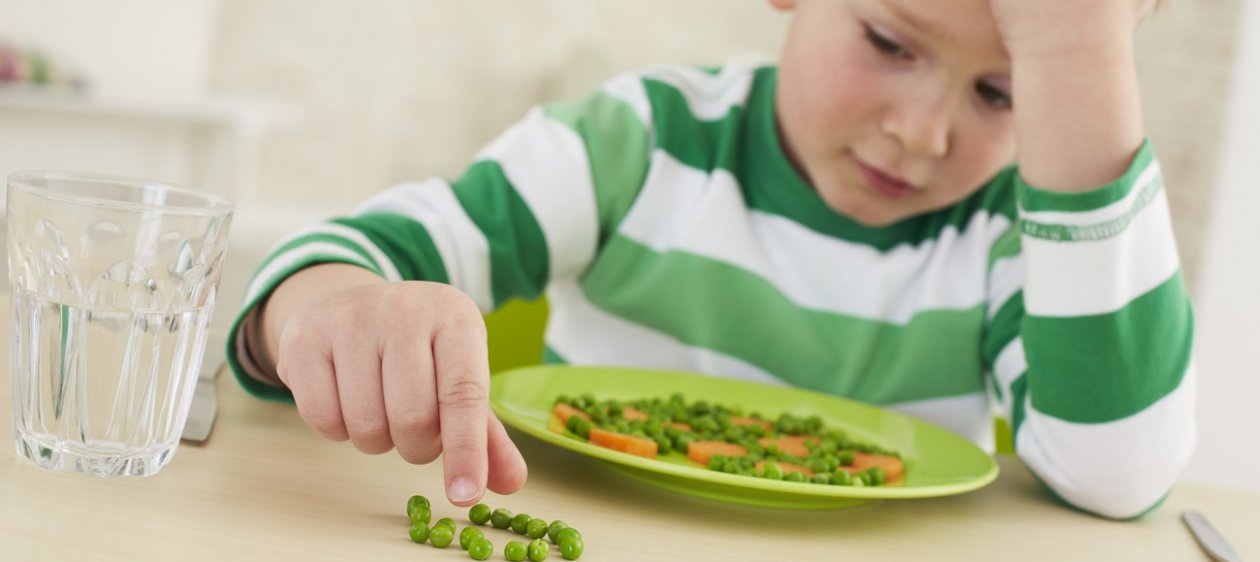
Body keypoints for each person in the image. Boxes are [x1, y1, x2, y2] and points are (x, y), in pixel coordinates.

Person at [226, 0, 1192, 519]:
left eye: (1003, 94)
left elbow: (1119, 472)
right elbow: (350, 254)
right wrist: (327, 308)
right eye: (891, 41)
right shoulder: (642, 141)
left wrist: (1078, 44)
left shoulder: (1023, 241)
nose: (921, 133)